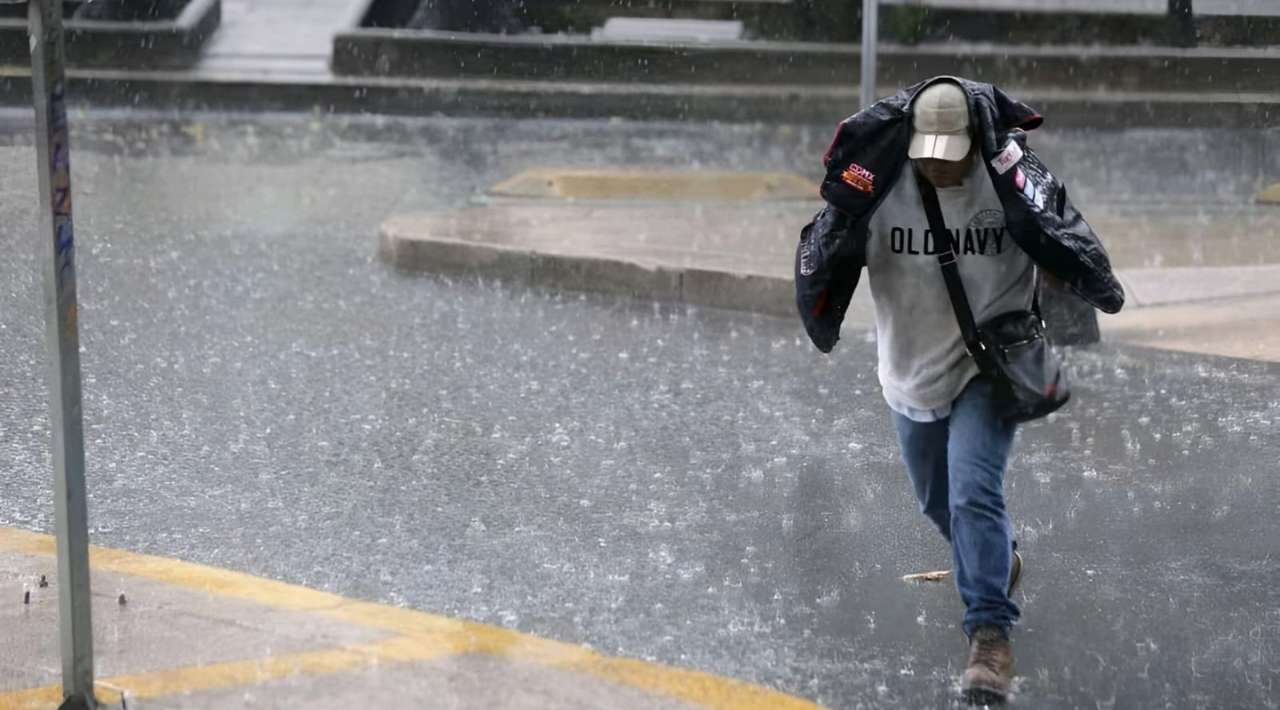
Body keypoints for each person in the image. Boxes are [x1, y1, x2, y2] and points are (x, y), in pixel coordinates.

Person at [795, 77, 1125, 705]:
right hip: (910, 367)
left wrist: (1069, 298)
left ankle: (990, 638)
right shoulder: (877, 189)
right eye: (929, 152)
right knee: (936, 500)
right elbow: (825, 256)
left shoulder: (1011, 185)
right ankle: (997, 559)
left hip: (990, 365)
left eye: (953, 152)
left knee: (975, 493)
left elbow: (1060, 243)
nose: (940, 163)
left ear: (976, 142)